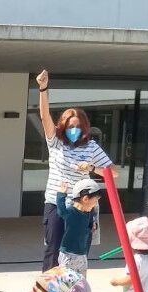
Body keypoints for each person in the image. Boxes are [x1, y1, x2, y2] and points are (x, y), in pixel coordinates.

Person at [35, 70, 115, 271]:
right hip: (56, 202)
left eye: (78, 126)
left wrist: (92, 167)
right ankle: (50, 290)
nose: (74, 130)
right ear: (63, 126)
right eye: (70, 126)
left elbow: (113, 172)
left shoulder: (91, 146)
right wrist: (43, 89)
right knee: (53, 248)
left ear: (85, 127)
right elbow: (45, 117)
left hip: (82, 207)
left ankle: (74, 289)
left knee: (79, 250)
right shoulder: (56, 142)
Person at [55, 178, 102, 276]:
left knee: (81, 281)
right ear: (85, 199)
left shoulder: (88, 212)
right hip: (68, 254)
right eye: (95, 201)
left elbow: (89, 224)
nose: (95, 204)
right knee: (67, 281)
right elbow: (61, 211)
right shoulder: (71, 212)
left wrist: (92, 225)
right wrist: (61, 194)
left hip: (82, 254)